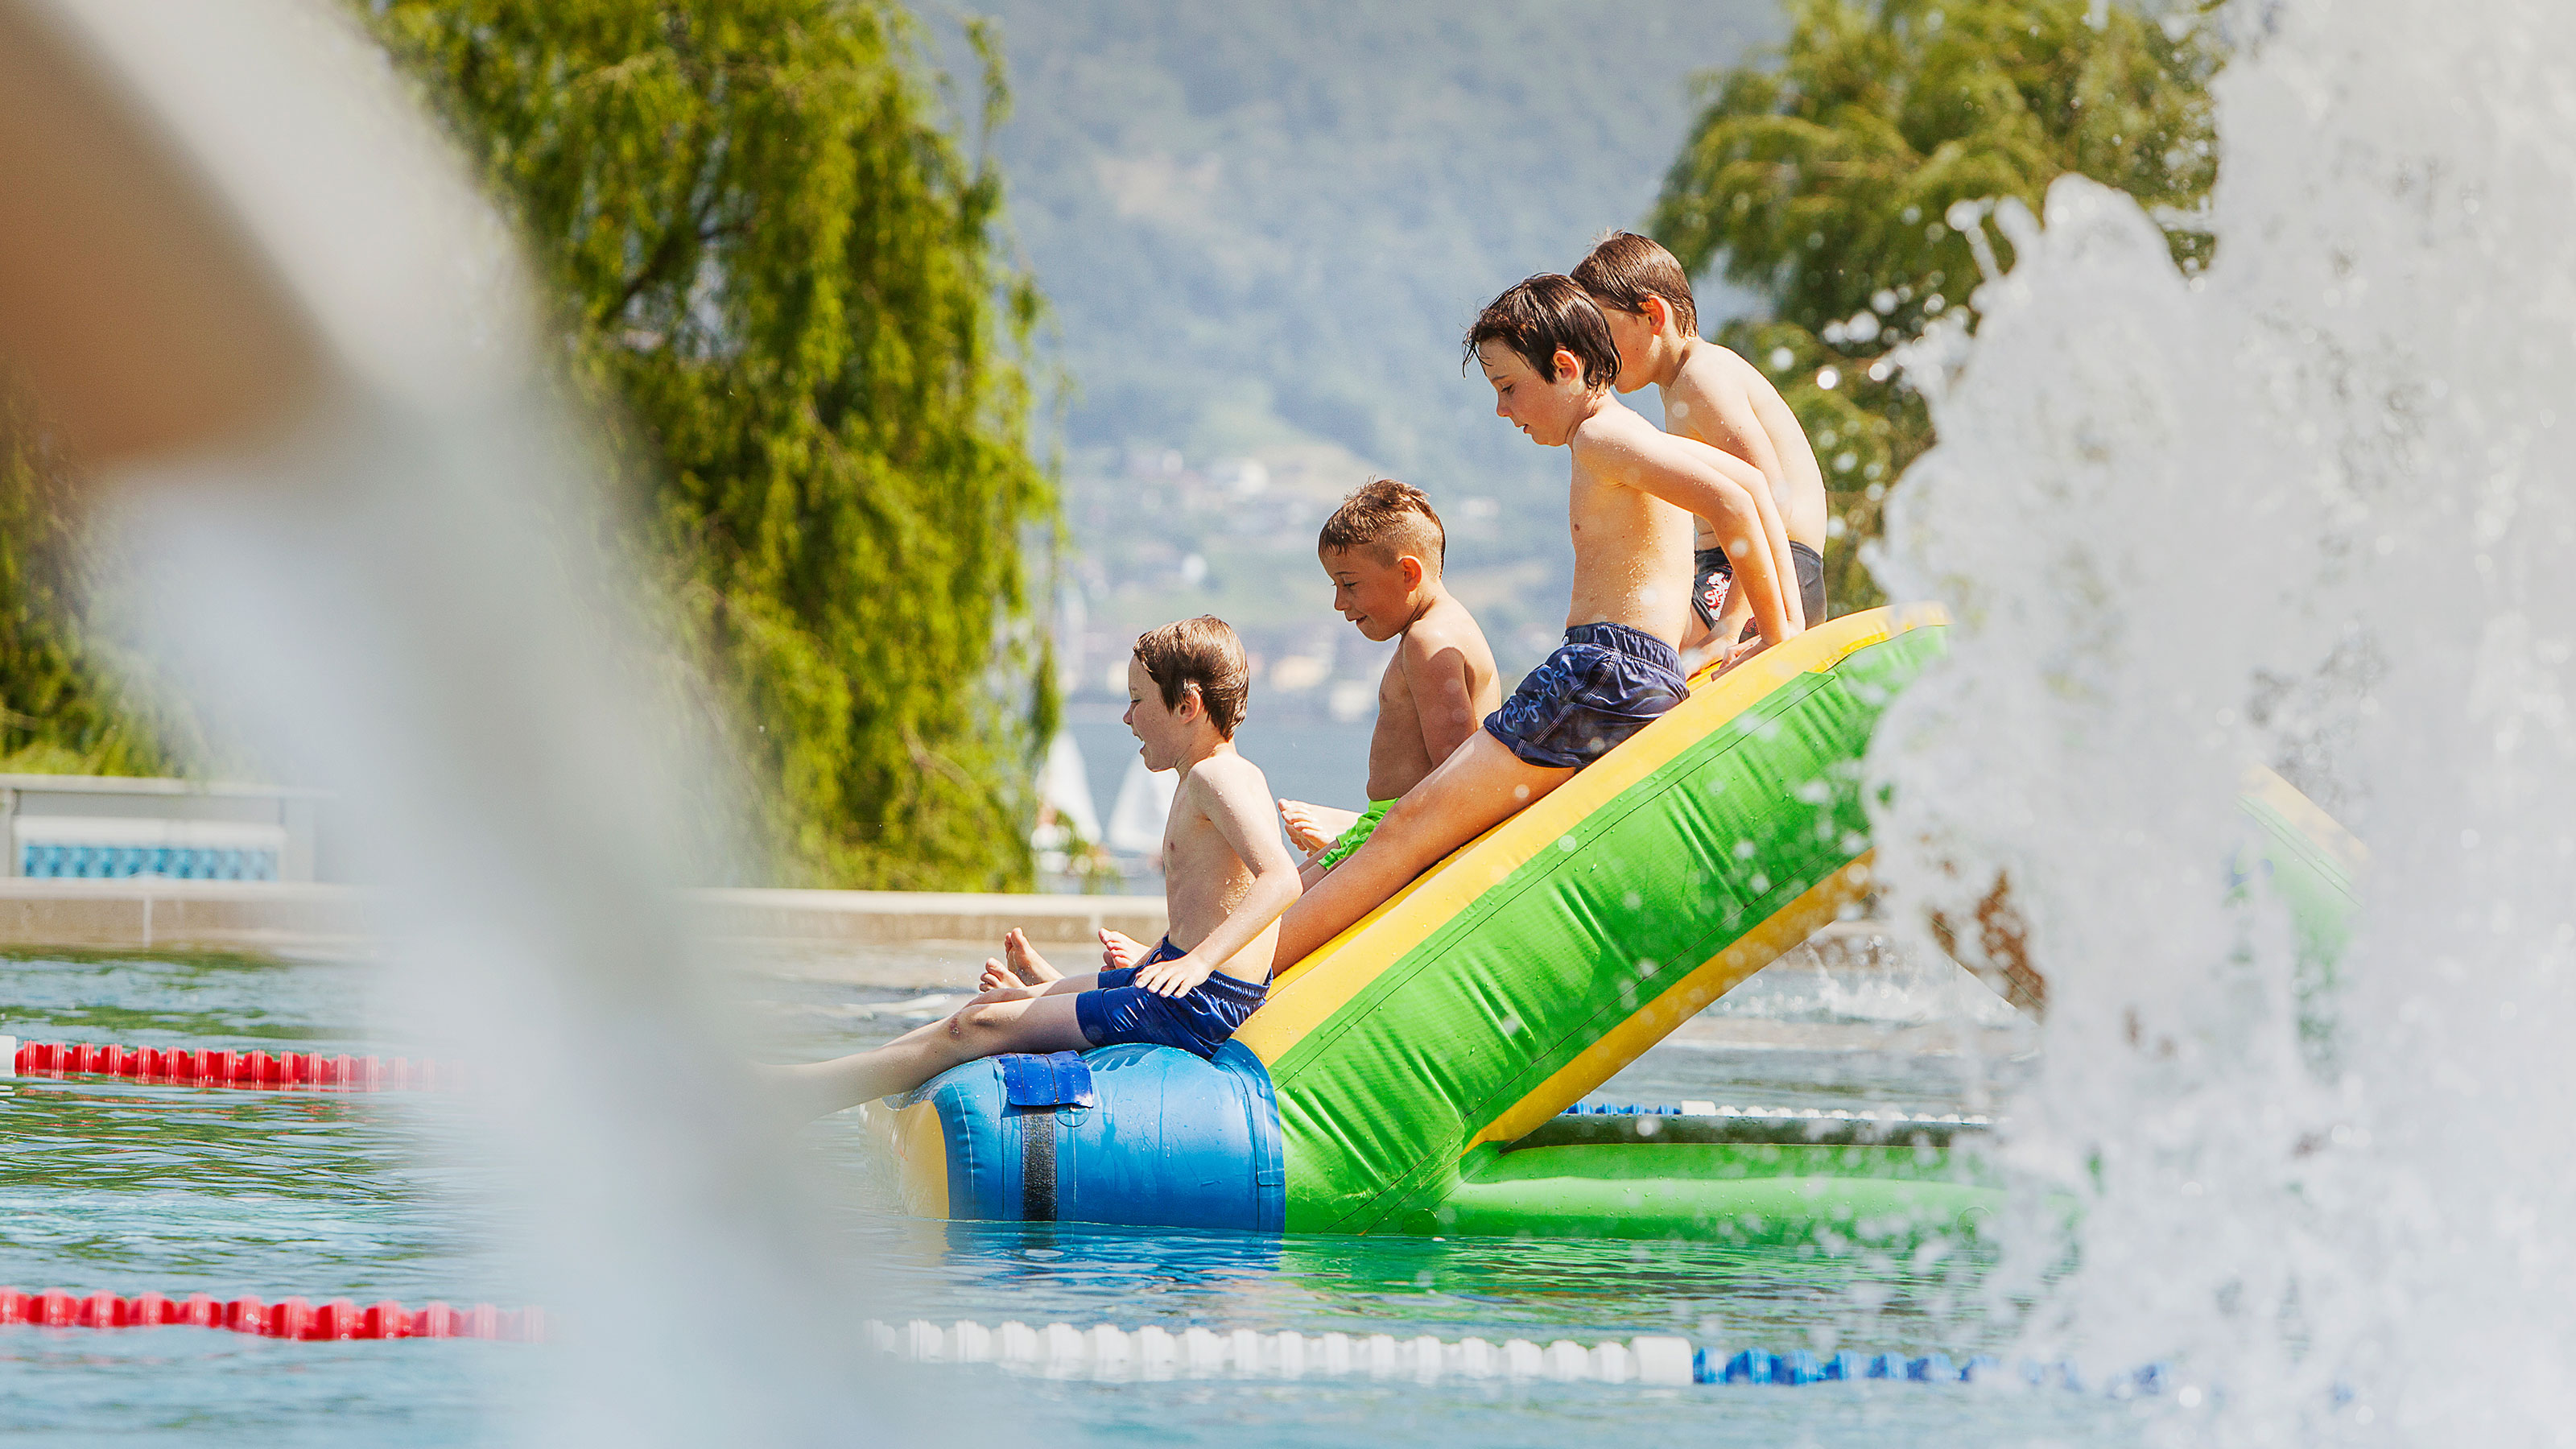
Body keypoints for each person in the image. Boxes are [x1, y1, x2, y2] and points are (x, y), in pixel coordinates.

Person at [1246, 275, 1799, 979]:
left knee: (1409, 828)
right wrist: (1779, 627)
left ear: (1564, 368)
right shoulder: (1628, 429)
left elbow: (1731, 498)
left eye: (1509, 387)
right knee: (1434, 827)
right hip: (1638, 674)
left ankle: (1242, 977)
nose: (1504, 411)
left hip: (1598, 672)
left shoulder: (1599, 435)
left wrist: (1780, 641)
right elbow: (1752, 488)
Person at [763, 617, 1301, 1116]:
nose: (1126, 717)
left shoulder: (1218, 779)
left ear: (1187, 706)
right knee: (996, 1003)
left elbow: (1280, 878)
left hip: (1195, 1006)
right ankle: (821, 1079)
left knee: (979, 1022)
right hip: (1180, 988)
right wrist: (1163, 955)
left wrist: (1197, 962)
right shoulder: (1210, 777)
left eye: (1138, 701)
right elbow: (1210, 897)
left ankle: (801, 1094)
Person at [1573, 231, 1830, 667]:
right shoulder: (1682, 382)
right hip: (1740, 568)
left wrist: (1732, 626)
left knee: (1643, 657)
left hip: (1767, 570)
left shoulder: (1703, 378)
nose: (1595, 354)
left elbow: (1770, 497)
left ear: (1653, 315)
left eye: (1603, 334)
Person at [1275, 479, 1501, 888]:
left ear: (1407, 573)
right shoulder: (1444, 626)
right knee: (1278, 894)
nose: (1340, 603)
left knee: (1268, 922)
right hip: (1386, 825)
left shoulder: (1427, 641)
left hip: (1401, 836)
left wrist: (1382, 836)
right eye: (1336, 586)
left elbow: (1457, 776)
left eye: (1350, 584)